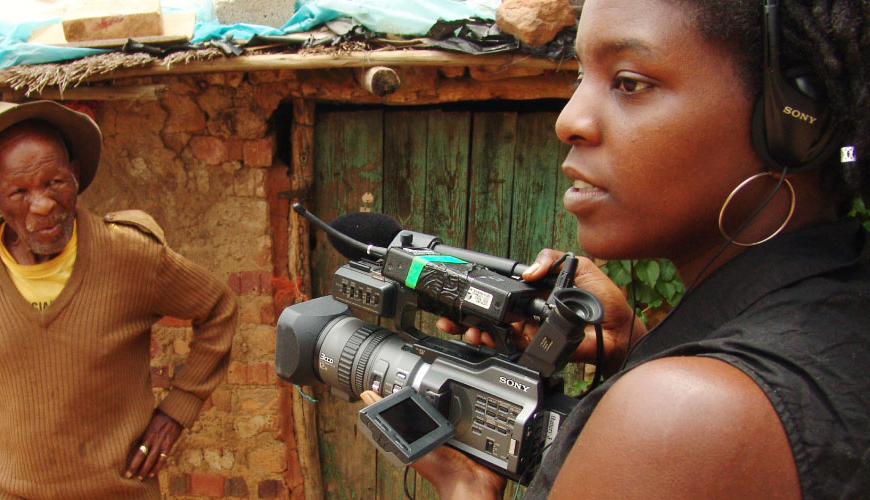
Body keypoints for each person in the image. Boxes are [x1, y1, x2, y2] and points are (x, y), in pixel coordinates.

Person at [368, 0, 870, 498]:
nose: (569, 120)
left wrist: (465, 490)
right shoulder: (837, 307)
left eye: (629, 82)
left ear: (793, 119)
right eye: (578, 77)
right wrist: (634, 345)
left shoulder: (685, 417)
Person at [0, 100, 237, 500]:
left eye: (54, 183)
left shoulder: (128, 253)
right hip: (10, 491)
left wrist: (176, 410)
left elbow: (218, 307)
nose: (43, 205)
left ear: (76, 176)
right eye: (19, 191)